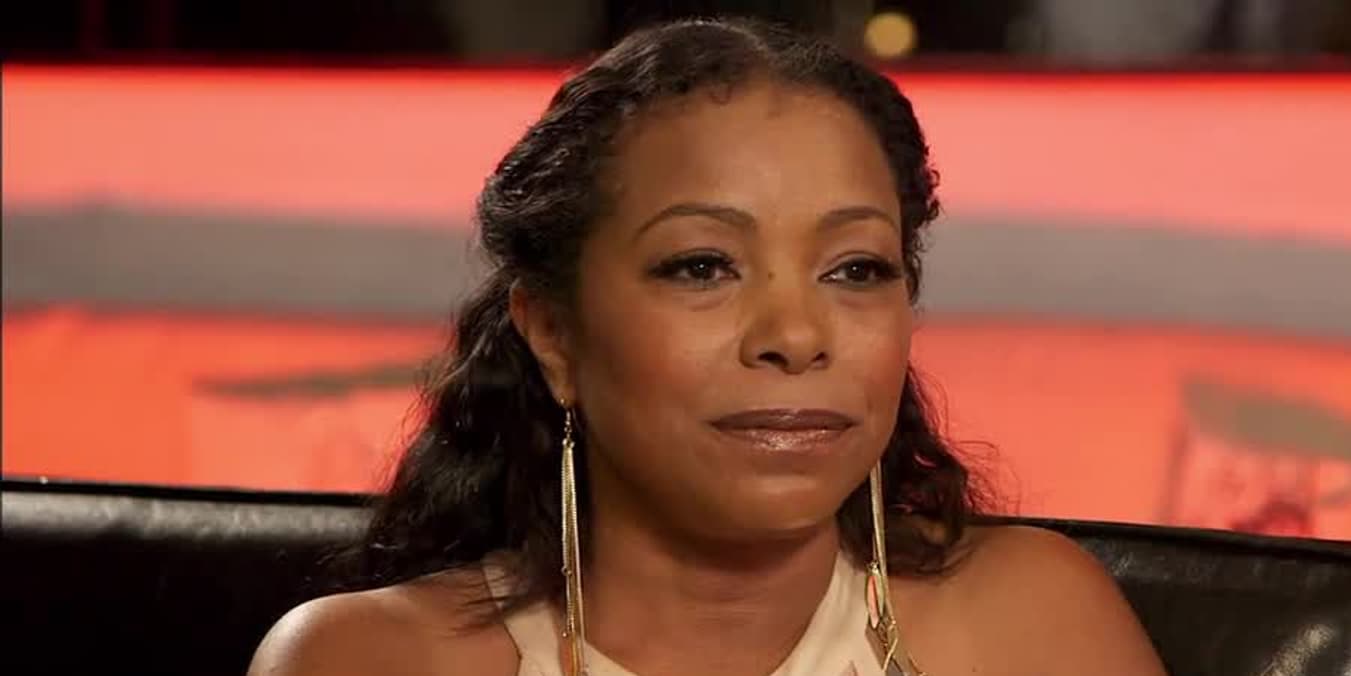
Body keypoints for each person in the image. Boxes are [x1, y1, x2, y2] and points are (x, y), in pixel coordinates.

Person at [248, 17, 1166, 676]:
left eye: (855, 269)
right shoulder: (363, 657)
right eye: (702, 267)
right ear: (554, 334)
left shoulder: (1034, 625)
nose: (796, 337)